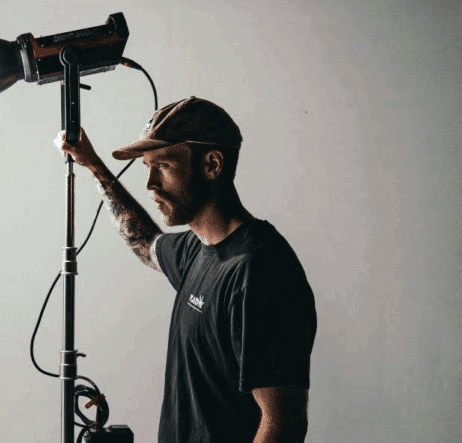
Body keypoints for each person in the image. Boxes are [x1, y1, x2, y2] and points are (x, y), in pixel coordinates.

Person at [54, 97, 317, 443]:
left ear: (211, 165)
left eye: (162, 165)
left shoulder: (260, 271)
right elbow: (145, 241)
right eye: (147, 167)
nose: (150, 183)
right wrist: (93, 165)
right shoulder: (198, 249)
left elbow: (284, 422)